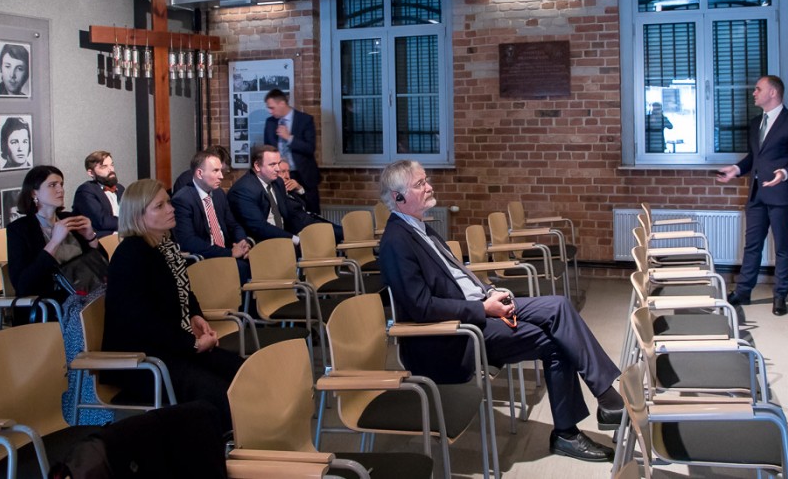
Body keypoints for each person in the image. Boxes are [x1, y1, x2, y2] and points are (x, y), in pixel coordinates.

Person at [378, 160, 623, 463]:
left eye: (426, 180)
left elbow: (458, 275)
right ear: (398, 197)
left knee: (559, 306)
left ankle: (605, 399)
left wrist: (488, 291)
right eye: (420, 184)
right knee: (556, 342)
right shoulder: (396, 241)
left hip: (479, 307)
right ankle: (577, 426)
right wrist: (482, 308)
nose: (429, 187)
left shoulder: (420, 227)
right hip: (453, 336)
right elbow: (421, 307)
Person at [102, 179, 244, 431]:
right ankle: (224, 444)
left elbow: (184, 291)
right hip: (142, 359)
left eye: (168, 202)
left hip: (171, 346)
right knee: (217, 392)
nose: (171, 209)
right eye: (160, 206)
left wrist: (196, 316)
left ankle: (251, 436)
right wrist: (192, 344)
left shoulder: (165, 245)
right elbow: (142, 323)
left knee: (241, 371)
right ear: (138, 216)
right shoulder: (130, 255)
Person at [717, 75, 788, 316]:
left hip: (782, 195)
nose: (754, 93)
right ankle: (743, 292)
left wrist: (785, 172)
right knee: (752, 245)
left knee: (782, 246)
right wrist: (736, 169)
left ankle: (780, 296)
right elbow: (755, 158)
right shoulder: (755, 123)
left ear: (773, 92)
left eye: (758, 89)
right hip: (757, 194)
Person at [6, 165, 103, 304]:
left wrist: (90, 237)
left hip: (86, 295)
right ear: (34, 193)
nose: (60, 190)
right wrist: (54, 242)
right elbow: (23, 285)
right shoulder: (19, 229)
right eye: (52, 185)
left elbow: (102, 268)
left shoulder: (70, 219)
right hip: (49, 304)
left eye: (61, 184)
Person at [172, 150, 252, 283]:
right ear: (199, 173)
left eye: (221, 170)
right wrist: (230, 253)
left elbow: (233, 225)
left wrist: (242, 243)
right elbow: (188, 241)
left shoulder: (219, 194)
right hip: (204, 259)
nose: (221, 176)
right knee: (243, 268)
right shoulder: (182, 199)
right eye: (215, 171)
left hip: (226, 254)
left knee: (256, 260)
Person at [228, 144, 304, 247]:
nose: (278, 169)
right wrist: (295, 239)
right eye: (272, 164)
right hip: (260, 245)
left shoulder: (278, 182)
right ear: (257, 166)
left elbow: (289, 215)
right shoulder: (244, 189)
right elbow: (260, 228)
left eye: (278, 163)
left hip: (284, 240)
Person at [263, 89, 321, 213]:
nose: (270, 111)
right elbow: (266, 150)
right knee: (285, 211)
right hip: (279, 174)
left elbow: (310, 148)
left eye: (272, 108)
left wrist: (289, 138)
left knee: (311, 211)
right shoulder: (270, 122)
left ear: (282, 104)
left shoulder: (305, 120)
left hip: (303, 174)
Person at [278, 159, 343, 242]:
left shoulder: (291, 189)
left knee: (345, 231)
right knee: (347, 233)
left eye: (288, 171)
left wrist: (299, 188)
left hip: (315, 221)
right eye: (283, 172)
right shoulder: (277, 193)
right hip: (308, 230)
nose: (287, 176)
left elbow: (308, 205)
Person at [73, 150, 126, 237]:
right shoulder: (86, 190)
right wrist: (132, 223)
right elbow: (102, 222)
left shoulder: (120, 188)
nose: (111, 169)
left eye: (112, 165)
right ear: (91, 173)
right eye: (104, 167)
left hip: (124, 234)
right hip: (101, 239)